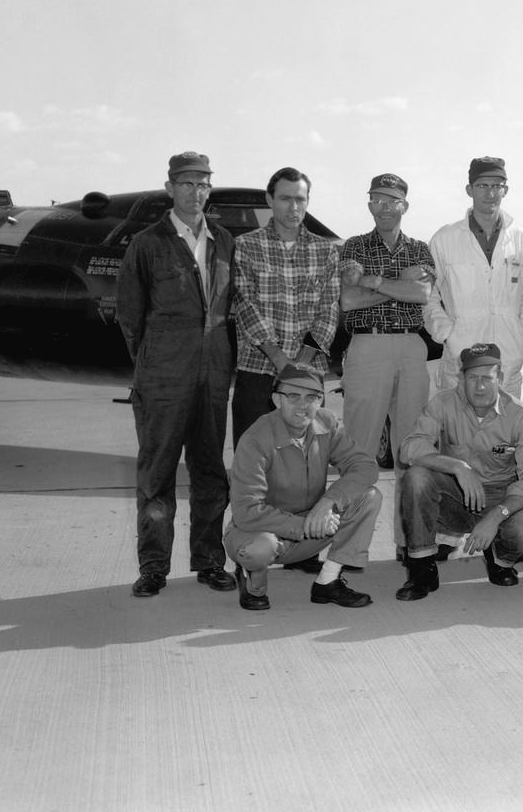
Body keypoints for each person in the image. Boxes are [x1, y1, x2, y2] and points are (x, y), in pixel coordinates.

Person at [116, 151, 237, 599]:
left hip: (212, 378)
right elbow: (130, 315)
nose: (195, 192)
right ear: (170, 188)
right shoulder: (147, 244)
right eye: (186, 183)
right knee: (157, 475)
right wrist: (155, 362)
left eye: (203, 184)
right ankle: (153, 567)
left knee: (210, 473)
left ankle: (209, 562)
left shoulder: (224, 241)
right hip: (163, 379)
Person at [223, 364, 381, 611]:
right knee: (258, 550)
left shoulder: (326, 422)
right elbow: (246, 511)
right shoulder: (255, 439)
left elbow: (365, 467)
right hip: (263, 530)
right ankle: (252, 581)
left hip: (311, 525)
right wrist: (305, 525)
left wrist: (328, 502)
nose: (302, 405)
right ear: (277, 400)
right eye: (293, 396)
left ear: (321, 400)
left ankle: (328, 581)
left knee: (368, 497)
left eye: (311, 397)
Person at [395, 342, 523, 600]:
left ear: (500, 378)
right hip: (456, 494)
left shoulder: (521, 416)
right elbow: (409, 448)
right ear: (461, 378)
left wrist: (496, 516)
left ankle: (500, 559)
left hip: (500, 495)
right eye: (473, 378)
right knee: (416, 477)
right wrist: (457, 466)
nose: (480, 386)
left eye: (487, 378)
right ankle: (422, 569)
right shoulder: (443, 403)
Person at [338, 173, 434, 551]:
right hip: (368, 345)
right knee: (359, 450)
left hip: (411, 347)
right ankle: (350, 548)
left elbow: (422, 294)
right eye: (377, 199)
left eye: (392, 200)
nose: (385, 207)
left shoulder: (420, 249)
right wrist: (397, 284)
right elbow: (349, 299)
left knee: (411, 450)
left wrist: (373, 282)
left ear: (405, 206)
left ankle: (409, 544)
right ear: (369, 205)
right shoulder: (354, 247)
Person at [231, 166, 340, 448]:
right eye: (285, 198)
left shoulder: (325, 251)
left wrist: (300, 363)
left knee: (307, 457)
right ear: (269, 200)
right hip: (258, 372)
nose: (293, 207)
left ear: (307, 201)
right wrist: (280, 360)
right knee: (253, 455)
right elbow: (245, 305)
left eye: (300, 199)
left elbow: (328, 310)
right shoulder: (245, 246)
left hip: (308, 374)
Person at [423, 156, 523, 400]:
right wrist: (446, 334)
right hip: (461, 356)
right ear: (469, 189)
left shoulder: (520, 239)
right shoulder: (445, 239)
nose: (490, 193)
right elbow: (428, 295)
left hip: (508, 356)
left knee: (508, 422)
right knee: (459, 422)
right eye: (482, 185)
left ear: (506, 190)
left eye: (497, 186)